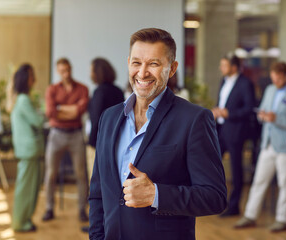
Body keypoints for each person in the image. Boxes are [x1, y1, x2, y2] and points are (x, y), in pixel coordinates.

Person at [88, 28, 227, 240]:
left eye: (153, 64)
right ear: (128, 64)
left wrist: (156, 195)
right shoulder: (109, 117)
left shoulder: (194, 119)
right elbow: (98, 193)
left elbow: (214, 197)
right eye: (136, 63)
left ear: (172, 69)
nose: (142, 73)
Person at [234, 62, 286, 232]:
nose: (275, 80)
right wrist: (262, 116)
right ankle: (250, 215)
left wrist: (276, 119)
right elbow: (261, 110)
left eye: (279, 77)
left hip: (285, 146)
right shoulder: (269, 90)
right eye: (273, 77)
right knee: (259, 181)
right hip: (267, 144)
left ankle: (282, 219)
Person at [43, 58, 89, 222]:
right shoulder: (52, 90)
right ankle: (49, 208)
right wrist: (72, 109)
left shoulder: (83, 88)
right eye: (63, 71)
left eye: (68, 70)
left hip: (76, 135)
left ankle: (82, 210)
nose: (66, 73)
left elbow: (80, 111)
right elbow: (50, 113)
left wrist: (60, 108)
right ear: (58, 71)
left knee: (81, 175)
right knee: (50, 174)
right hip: (56, 135)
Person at [81, 58, 124, 233]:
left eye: (92, 70)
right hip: (116, 144)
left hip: (97, 145)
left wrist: (91, 143)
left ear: (98, 72)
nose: (90, 74)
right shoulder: (118, 91)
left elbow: (96, 120)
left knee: (97, 187)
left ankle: (98, 226)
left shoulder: (99, 92)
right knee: (112, 185)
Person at [212, 55, 255, 217]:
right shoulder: (223, 81)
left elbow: (249, 108)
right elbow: (222, 102)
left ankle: (234, 206)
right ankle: (214, 201)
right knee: (213, 163)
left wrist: (229, 113)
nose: (221, 68)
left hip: (236, 131)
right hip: (220, 129)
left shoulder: (245, 83)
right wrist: (217, 111)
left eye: (224, 65)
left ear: (234, 67)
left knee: (236, 170)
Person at [10, 64, 44, 232]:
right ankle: (20, 223)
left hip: (28, 151)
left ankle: (24, 221)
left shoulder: (20, 98)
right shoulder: (23, 99)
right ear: (25, 79)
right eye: (31, 76)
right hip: (29, 150)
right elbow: (37, 121)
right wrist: (43, 114)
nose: (34, 79)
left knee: (27, 188)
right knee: (26, 190)